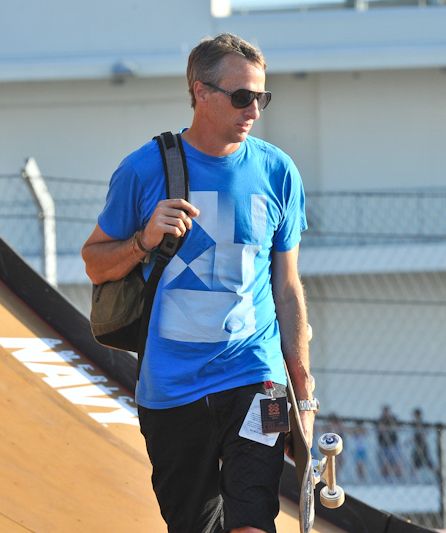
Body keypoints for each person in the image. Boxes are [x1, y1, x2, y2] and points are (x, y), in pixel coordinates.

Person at [82, 33, 314, 533]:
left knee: (255, 517)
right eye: (241, 96)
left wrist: (302, 385)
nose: (254, 108)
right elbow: (95, 263)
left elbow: (288, 287)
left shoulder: (279, 172)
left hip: (261, 379)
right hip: (170, 389)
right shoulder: (143, 170)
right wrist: (142, 241)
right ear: (200, 92)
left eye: (261, 97)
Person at [377, 405, 403, 478]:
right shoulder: (380, 420)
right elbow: (379, 430)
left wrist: (388, 428)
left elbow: (397, 427)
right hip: (383, 444)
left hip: (393, 443)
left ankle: (398, 477)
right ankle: (385, 477)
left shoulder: (393, 419)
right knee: (384, 462)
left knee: (395, 461)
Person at [411, 408, 435, 473]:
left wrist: (423, 437)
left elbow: (425, 433)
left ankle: (435, 471)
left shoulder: (421, 423)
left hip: (421, 443)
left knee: (423, 458)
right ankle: (414, 472)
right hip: (417, 443)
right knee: (417, 458)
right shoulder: (414, 423)